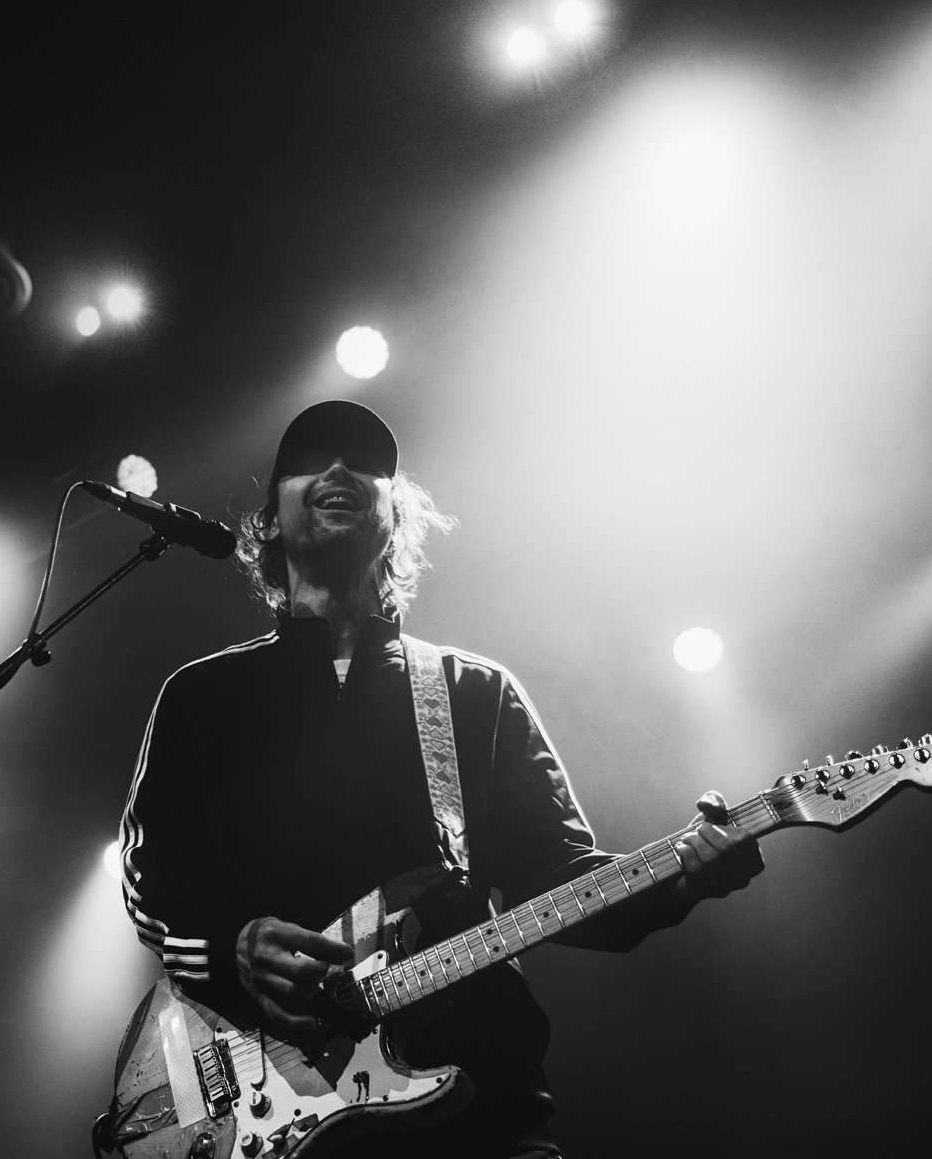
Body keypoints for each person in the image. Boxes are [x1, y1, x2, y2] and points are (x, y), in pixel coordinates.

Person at [117, 400, 763, 1158]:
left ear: (398, 516)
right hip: (271, 1109)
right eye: (312, 456)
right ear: (270, 519)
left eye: (364, 460)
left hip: (478, 1110)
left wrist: (681, 877)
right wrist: (231, 943)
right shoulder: (203, 695)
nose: (337, 468)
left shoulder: (472, 692)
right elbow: (151, 872)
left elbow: (561, 880)